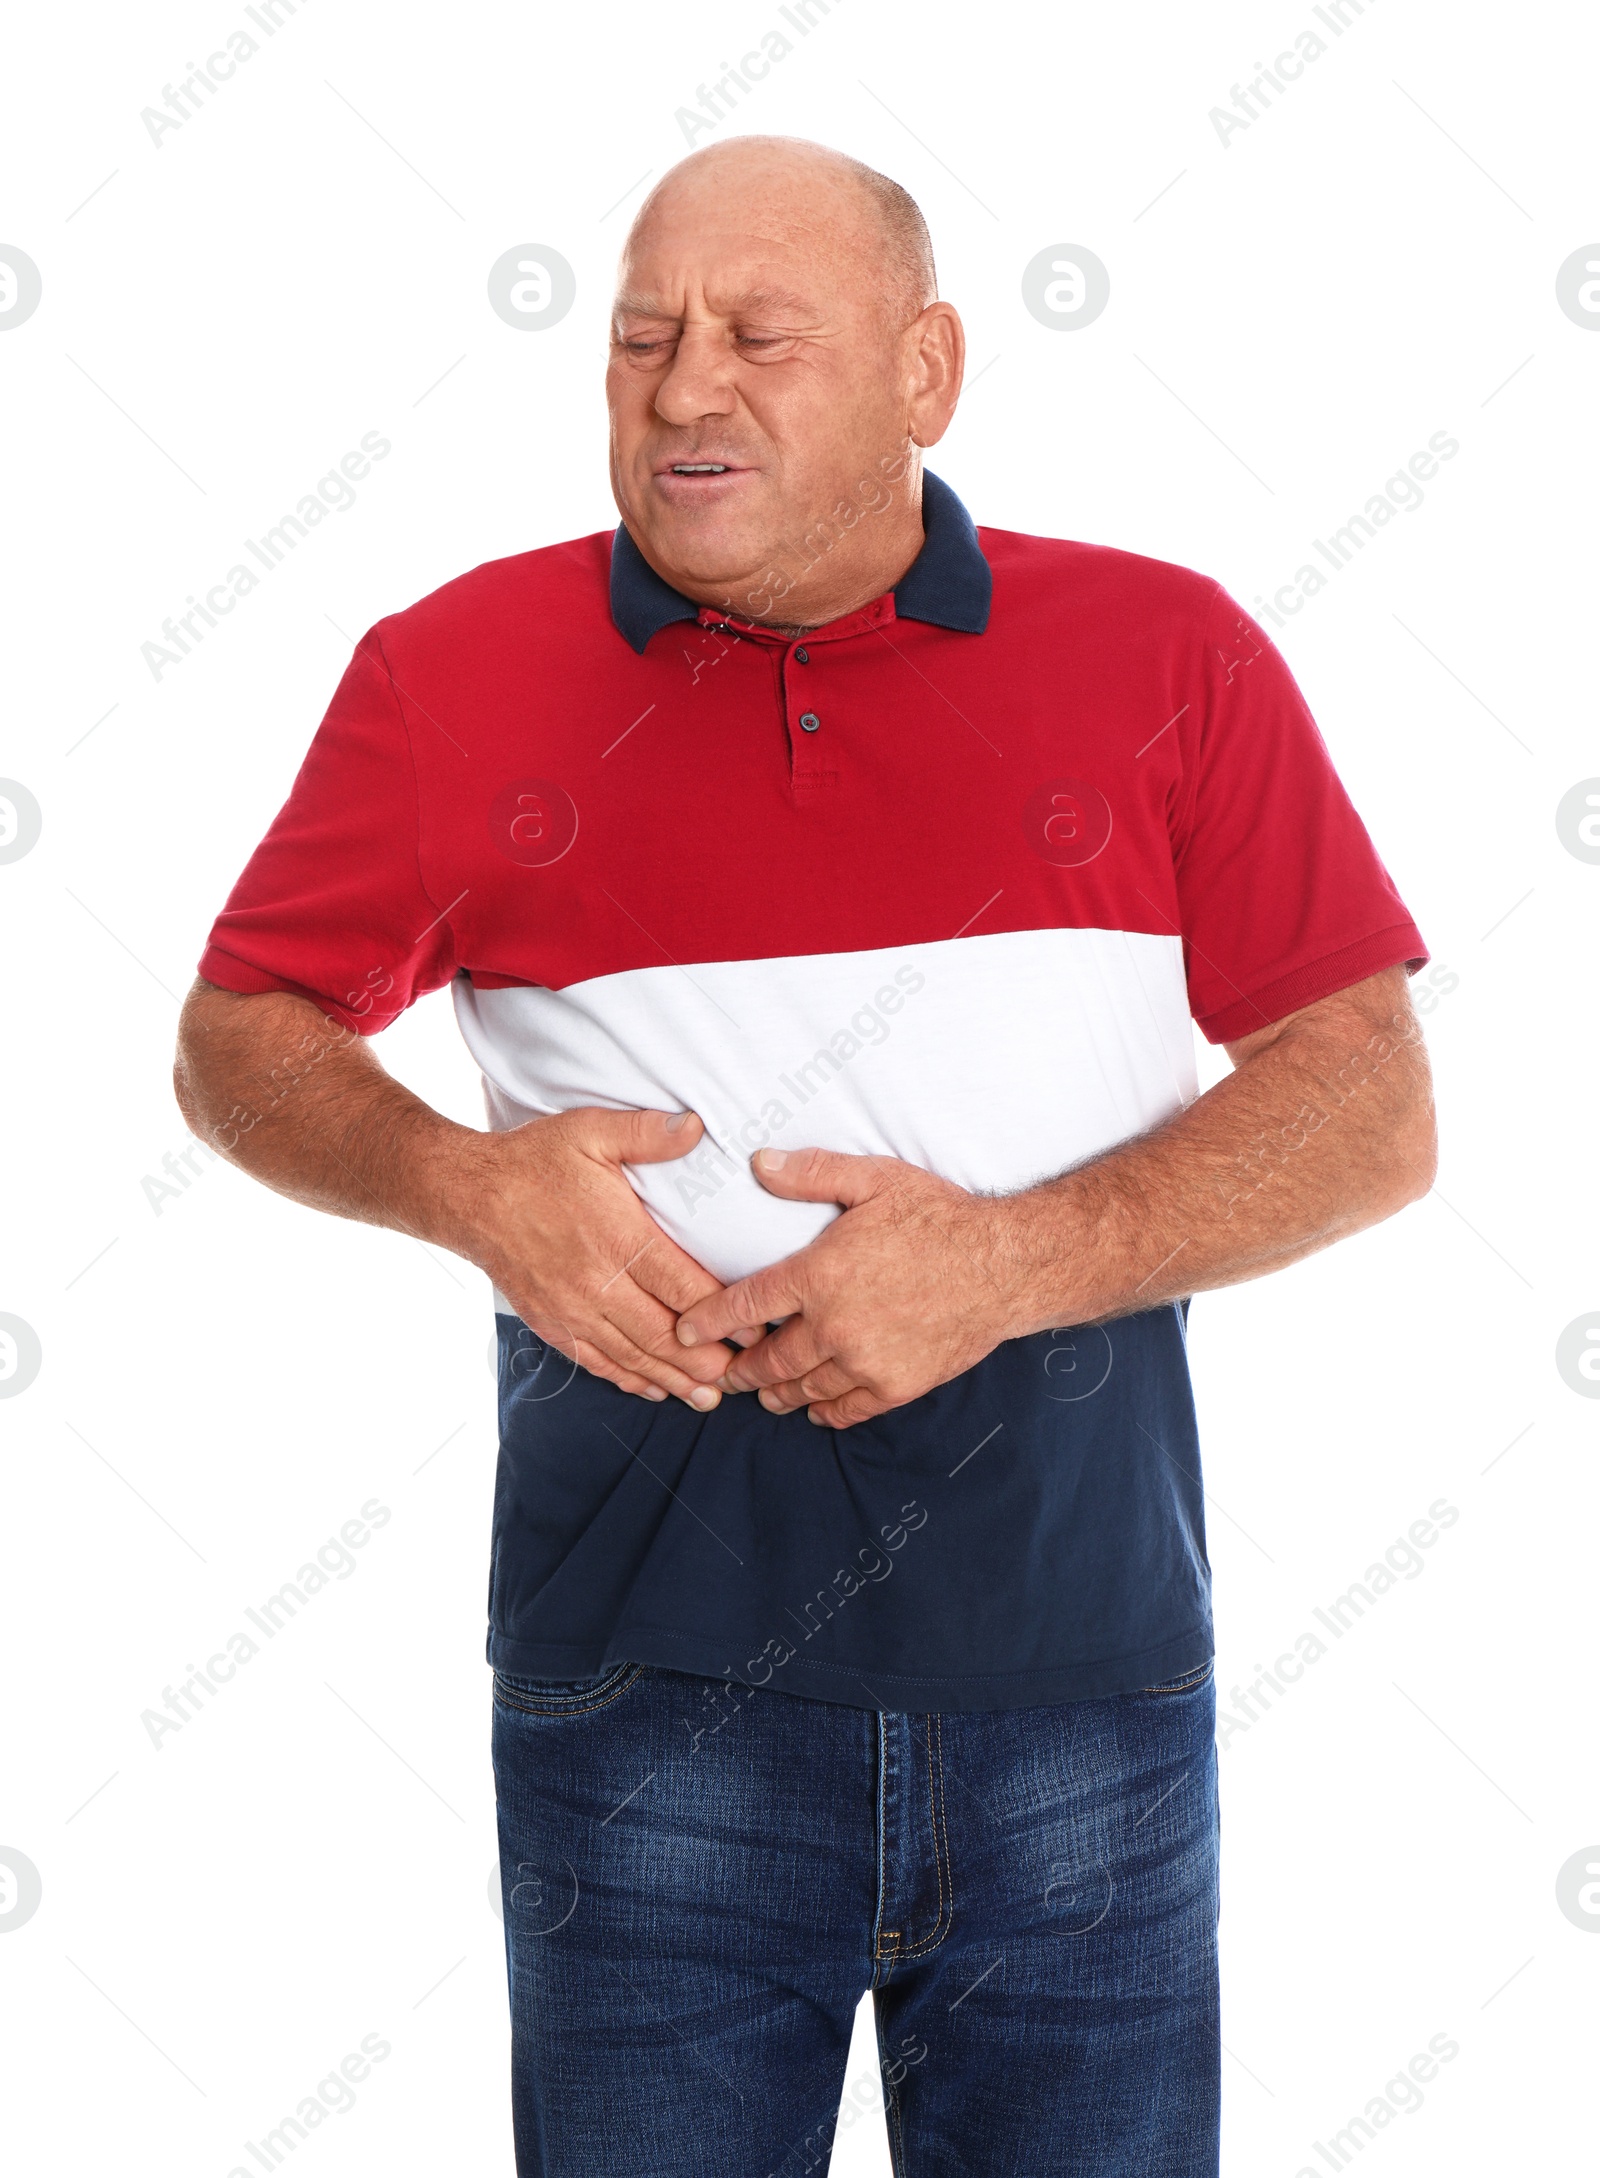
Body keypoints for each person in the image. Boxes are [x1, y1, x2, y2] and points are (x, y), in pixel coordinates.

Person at [175, 134, 1436, 2178]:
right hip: (643, 1700)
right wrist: (461, 1185)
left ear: (925, 372)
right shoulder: (449, 677)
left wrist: (1011, 1261)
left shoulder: (1167, 656)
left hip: (1082, 1690)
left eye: (760, 335)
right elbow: (239, 1034)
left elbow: (1367, 1101)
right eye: (642, 338)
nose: (684, 390)